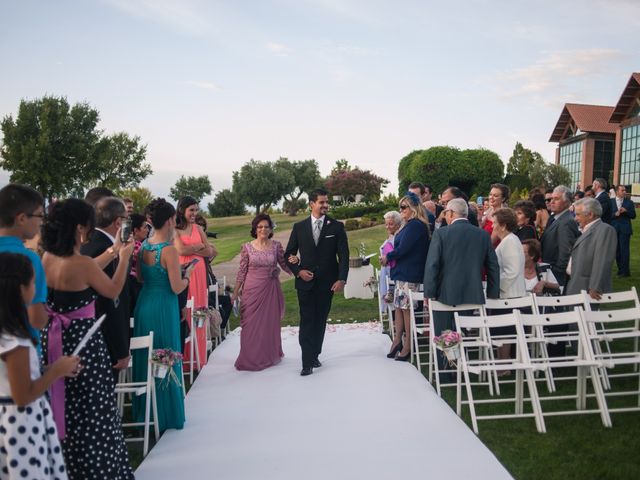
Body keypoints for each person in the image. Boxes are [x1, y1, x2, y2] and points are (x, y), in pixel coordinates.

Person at [40, 198, 135, 480]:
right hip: (85, 345)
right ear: (80, 228)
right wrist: (125, 258)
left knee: (66, 407)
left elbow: (88, 269)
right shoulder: (81, 264)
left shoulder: (47, 258)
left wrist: (112, 251)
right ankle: (100, 470)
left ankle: (69, 467)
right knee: (95, 412)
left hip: (55, 342)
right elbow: (113, 289)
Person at [0, 252, 80, 480]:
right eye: (33, 282)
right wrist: (57, 371)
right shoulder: (17, 341)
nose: (36, 289)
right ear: (20, 288)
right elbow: (23, 394)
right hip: (22, 425)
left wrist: (48, 369)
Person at [424, 198, 500, 380]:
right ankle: (463, 367)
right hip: (472, 293)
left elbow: (432, 265)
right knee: (464, 332)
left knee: (444, 332)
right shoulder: (481, 234)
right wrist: (492, 293)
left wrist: (429, 293)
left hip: (445, 292)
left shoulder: (442, 234)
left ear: (450, 213)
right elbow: (492, 265)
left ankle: (445, 373)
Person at [133, 198, 188, 432]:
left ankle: (145, 412)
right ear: (169, 220)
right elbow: (176, 287)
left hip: (145, 303)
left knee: (147, 356)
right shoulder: (168, 250)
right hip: (164, 305)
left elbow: (140, 278)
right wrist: (187, 275)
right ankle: (167, 414)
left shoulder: (144, 246)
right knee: (167, 352)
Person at [285, 189, 349, 376]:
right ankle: (306, 362)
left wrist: (341, 279)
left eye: (326, 202)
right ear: (311, 204)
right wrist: (298, 271)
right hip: (305, 284)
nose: (325, 205)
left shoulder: (336, 227)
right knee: (307, 320)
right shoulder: (299, 227)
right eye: (321, 202)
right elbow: (288, 254)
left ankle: (314, 354)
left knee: (320, 320)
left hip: (328, 284)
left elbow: (344, 255)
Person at [80, 197, 131, 381]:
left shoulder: (94, 243)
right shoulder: (103, 248)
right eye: (127, 219)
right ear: (118, 222)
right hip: (106, 341)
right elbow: (109, 303)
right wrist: (120, 348)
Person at [231, 214, 291, 371]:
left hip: (270, 290)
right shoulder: (247, 247)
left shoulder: (276, 246)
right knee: (250, 325)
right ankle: (249, 357)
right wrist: (236, 292)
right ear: (255, 229)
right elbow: (242, 271)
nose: (263, 229)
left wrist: (299, 270)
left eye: (266, 226)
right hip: (251, 290)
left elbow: (284, 265)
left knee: (269, 324)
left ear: (271, 229)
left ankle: (268, 355)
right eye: (260, 227)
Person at [380, 194, 430, 361]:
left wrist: (388, 257)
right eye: (400, 207)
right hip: (402, 273)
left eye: (404, 207)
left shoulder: (416, 225)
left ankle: (408, 344)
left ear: (413, 208)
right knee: (399, 308)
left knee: (407, 309)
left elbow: (404, 249)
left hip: (410, 272)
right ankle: (397, 340)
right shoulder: (408, 225)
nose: (400, 210)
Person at [0, 184, 49, 351]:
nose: (41, 222)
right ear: (21, 218)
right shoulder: (28, 259)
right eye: (40, 216)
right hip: (22, 352)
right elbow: (37, 319)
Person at [174, 196, 217, 371]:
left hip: (200, 274)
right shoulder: (175, 230)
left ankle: (198, 358)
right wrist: (198, 247)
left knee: (200, 311)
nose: (194, 213)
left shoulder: (199, 228)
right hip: (185, 273)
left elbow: (210, 251)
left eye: (196, 210)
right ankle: (184, 359)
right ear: (182, 210)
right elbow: (180, 250)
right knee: (187, 310)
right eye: (191, 209)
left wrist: (197, 248)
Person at [491, 208, 526, 364]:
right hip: (508, 294)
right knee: (501, 331)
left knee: (504, 331)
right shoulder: (507, 241)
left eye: (495, 224)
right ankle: (503, 362)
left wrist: (497, 286)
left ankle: (504, 364)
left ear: (503, 225)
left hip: (510, 295)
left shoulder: (510, 241)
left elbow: (513, 270)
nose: (493, 227)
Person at [565, 198, 617, 299]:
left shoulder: (605, 230)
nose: (575, 218)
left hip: (588, 290)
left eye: (578, 214)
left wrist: (595, 286)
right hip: (576, 285)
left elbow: (603, 260)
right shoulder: (585, 229)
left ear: (590, 215)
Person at [540, 185, 580, 288]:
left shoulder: (566, 221)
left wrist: (557, 273)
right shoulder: (553, 217)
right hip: (548, 268)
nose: (551, 202)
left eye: (556, 199)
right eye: (551, 198)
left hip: (556, 273)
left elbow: (565, 252)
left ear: (567, 202)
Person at [610, 185, 636, 277]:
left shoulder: (629, 202)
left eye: (625, 190)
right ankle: (620, 270)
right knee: (617, 251)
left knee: (624, 251)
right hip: (614, 229)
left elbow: (633, 216)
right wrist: (614, 214)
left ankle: (625, 271)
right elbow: (607, 216)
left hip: (625, 230)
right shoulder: (611, 202)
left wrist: (626, 211)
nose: (624, 192)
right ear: (617, 192)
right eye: (622, 190)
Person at [379, 211, 402, 313]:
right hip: (387, 273)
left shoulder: (398, 238)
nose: (387, 227)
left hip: (394, 275)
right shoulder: (390, 237)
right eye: (386, 224)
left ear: (398, 225)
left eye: (391, 224)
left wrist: (386, 259)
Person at [128, 213, 150, 315]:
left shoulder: (137, 244)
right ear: (136, 230)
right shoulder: (136, 247)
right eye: (145, 227)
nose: (148, 230)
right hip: (135, 288)